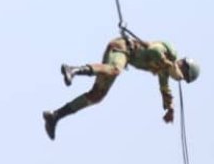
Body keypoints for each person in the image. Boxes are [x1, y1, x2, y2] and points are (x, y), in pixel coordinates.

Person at [42, 34, 200, 140]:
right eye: (183, 73)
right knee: (115, 70)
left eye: (184, 78)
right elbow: (154, 49)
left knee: (97, 96)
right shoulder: (170, 53)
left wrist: (170, 108)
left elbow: (165, 89)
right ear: (182, 64)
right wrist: (167, 62)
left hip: (124, 56)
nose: (180, 77)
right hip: (122, 48)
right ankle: (73, 70)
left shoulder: (164, 72)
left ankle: (55, 116)